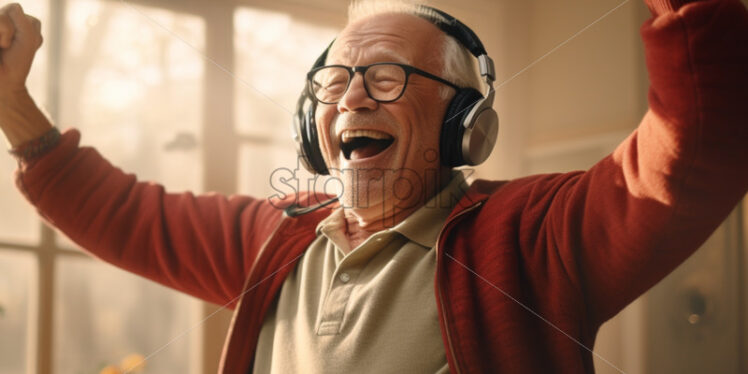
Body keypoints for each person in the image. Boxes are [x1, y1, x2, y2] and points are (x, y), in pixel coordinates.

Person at [1, 0, 746, 372]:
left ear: (466, 125)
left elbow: (699, 145)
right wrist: (12, 103)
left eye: (387, 77)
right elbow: (127, 216)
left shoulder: (533, 233)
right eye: (331, 82)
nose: (350, 99)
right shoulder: (277, 237)